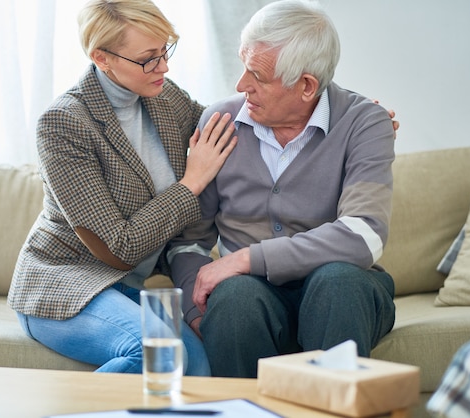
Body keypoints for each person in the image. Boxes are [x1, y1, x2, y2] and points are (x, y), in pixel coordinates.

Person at [167, 0, 397, 378]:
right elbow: (188, 242)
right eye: (244, 66)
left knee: (337, 282)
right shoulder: (220, 121)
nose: (241, 86)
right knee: (235, 298)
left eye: (256, 75)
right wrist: (196, 304)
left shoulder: (364, 123)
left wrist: (245, 259)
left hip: (343, 291)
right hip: (251, 297)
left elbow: (363, 235)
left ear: (306, 86)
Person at [7, 0, 238, 376]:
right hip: (63, 287)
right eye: (148, 58)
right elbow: (120, 246)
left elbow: (223, 127)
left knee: (197, 363)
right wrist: (191, 183)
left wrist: (344, 117)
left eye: (165, 51)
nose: (163, 66)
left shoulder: (161, 95)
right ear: (102, 57)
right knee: (159, 352)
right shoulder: (63, 123)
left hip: (126, 288)